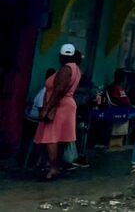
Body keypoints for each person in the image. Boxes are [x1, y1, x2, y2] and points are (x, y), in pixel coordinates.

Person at [35, 44, 81, 180]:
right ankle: (56, 167)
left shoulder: (66, 69)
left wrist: (47, 108)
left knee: (51, 138)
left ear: (61, 56)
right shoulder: (76, 69)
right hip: (67, 105)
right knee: (60, 138)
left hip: (60, 105)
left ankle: (52, 168)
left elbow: (59, 90)